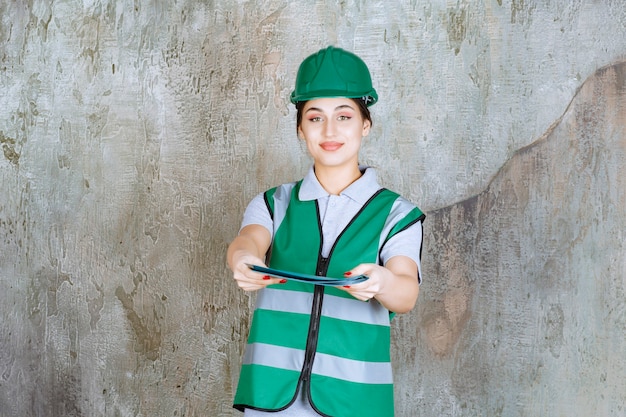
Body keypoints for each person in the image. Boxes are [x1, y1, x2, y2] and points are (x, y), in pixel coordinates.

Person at [227, 46, 425, 417]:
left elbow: (406, 292)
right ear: (301, 128)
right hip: (270, 397)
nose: (330, 130)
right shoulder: (275, 203)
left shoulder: (396, 215)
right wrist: (243, 260)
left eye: (344, 115)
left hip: (354, 400)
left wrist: (381, 282)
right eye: (315, 118)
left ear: (365, 124)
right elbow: (248, 241)